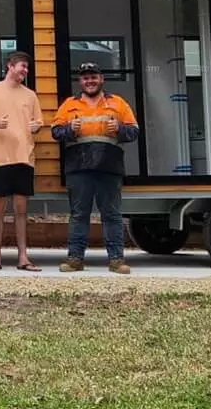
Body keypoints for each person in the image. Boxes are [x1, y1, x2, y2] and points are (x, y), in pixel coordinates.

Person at [51, 61, 139, 274]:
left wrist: (119, 129)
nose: (90, 81)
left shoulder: (118, 103)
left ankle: (117, 260)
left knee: (112, 215)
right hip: (79, 168)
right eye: (85, 77)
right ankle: (75, 259)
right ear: (80, 81)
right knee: (79, 215)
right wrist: (69, 129)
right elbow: (55, 132)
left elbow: (134, 131)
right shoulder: (69, 105)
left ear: (101, 79)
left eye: (93, 77)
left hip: (109, 167)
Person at [0, 50, 44, 272]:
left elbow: (38, 122)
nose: (25, 70)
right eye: (22, 66)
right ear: (10, 66)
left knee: (21, 210)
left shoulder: (30, 95)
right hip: (0, 158)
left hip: (24, 157)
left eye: (27, 67)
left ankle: (23, 256)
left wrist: (36, 126)